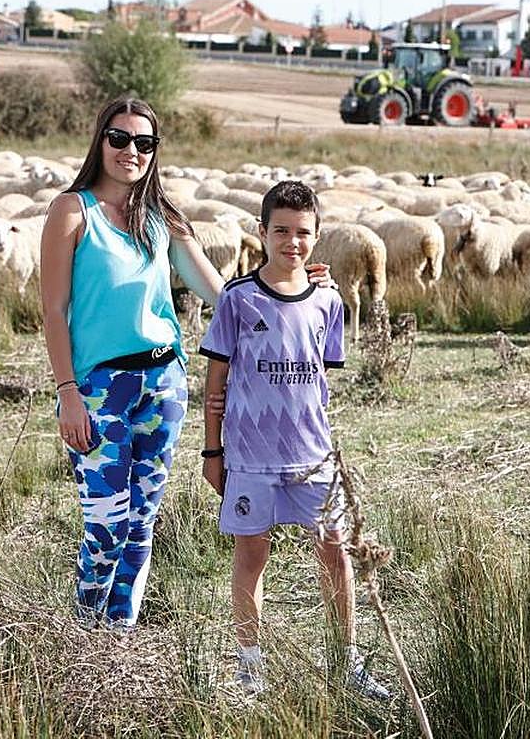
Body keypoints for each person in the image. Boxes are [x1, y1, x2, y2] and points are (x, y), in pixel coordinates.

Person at [40, 96, 330, 630]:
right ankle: (81, 643)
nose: (131, 151)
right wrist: (66, 393)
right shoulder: (71, 211)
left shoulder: (162, 218)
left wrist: (293, 286)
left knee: (142, 523)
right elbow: (53, 311)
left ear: (156, 151)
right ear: (100, 140)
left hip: (163, 383)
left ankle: (118, 639)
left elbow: (224, 295)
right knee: (104, 525)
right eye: (120, 138)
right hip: (99, 387)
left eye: (144, 143)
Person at [198, 180, 388, 699]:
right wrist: (212, 451)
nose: (292, 242)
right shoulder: (237, 299)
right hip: (250, 458)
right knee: (251, 554)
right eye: (281, 231)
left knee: (335, 553)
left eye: (303, 232)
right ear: (261, 233)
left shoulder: (328, 300)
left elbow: (319, 374)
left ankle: (346, 664)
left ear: (317, 235)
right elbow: (215, 383)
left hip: (313, 459)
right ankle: (250, 667)